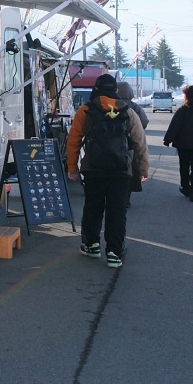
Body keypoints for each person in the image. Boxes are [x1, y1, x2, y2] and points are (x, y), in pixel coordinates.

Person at [66, 73, 150, 269]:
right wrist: (143, 168)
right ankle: (114, 251)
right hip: (121, 169)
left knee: (93, 206)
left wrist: (72, 168)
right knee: (117, 209)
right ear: (116, 90)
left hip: (93, 168)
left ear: (96, 88)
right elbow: (140, 142)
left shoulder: (85, 110)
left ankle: (91, 245)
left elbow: (73, 141)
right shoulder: (128, 112)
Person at [114, 80, 150, 207]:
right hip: (129, 144)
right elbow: (144, 122)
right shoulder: (134, 107)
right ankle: (126, 199)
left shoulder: (110, 104)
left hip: (110, 144)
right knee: (129, 172)